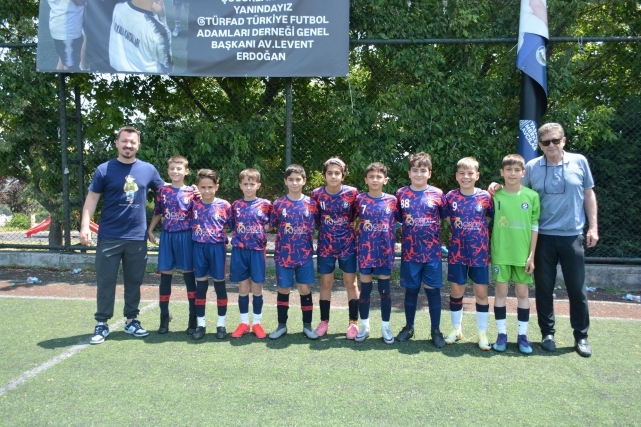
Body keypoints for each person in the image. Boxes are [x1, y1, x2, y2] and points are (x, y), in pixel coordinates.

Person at [489, 122, 598, 357]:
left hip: (572, 235)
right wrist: (495, 186)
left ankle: (581, 336)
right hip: (543, 238)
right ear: (540, 144)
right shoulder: (531, 167)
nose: (551, 145)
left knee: (577, 289)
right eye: (546, 142)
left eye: (556, 140)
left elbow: (589, 194)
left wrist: (593, 227)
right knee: (544, 289)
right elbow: (515, 192)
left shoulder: (579, 162)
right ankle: (547, 334)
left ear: (564, 141)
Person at [80, 126, 165, 345]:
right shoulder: (104, 169)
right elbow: (92, 199)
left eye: (133, 142)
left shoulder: (148, 170)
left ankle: (131, 320)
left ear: (138, 145)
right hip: (109, 236)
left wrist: (190, 190)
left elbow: (167, 192)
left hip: (137, 237)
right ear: (117, 143)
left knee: (134, 281)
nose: (128, 145)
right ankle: (102, 323)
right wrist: (85, 226)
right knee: (106, 281)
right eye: (125, 141)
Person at [395, 153, 448, 348]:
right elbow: (396, 218)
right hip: (410, 253)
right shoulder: (401, 194)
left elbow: (446, 218)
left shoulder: (438, 194)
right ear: (409, 173)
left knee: (433, 292)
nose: (419, 174)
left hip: (432, 253)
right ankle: (409, 327)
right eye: (415, 170)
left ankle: (436, 330)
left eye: (423, 170)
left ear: (429, 173)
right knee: (411, 291)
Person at [442, 157, 494, 350]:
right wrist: (459, 229)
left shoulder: (486, 197)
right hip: (457, 252)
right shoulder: (450, 197)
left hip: (479, 253)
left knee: (481, 293)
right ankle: (456, 330)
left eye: (470, 173)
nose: (466, 177)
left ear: (477, 175)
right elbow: (447, 217)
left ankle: (482, 333)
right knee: (456, 291)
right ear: (456, 176)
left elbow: (491, 217)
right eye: (462, 173)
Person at [490, 154, 540, 354]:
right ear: (502, 172)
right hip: (501, 253)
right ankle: (501, 335)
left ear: (523, 173)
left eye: (517, 170)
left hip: (522, 256)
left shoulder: (532, 196)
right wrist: (493, 187)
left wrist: (531, 256)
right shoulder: (494, 195)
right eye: (508, 170)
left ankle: (522, 336)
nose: (512, 173)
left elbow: (535, 226)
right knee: (500, 293)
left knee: (522, 293)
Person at [310, 158, 360, 339]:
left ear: (343, 176)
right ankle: (324, 321)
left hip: (348, 244)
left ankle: (353, 322)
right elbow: (315, 218)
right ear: (324, 175)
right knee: (326, 283)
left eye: (337, 173)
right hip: (326, 245)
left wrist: (354, 226)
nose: (333, 176)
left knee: (351, 283)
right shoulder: (316, 194)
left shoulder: (352, 193)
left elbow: (357, 215)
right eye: (329, 173)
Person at [269, 164, 319, 340]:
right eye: (291, 179)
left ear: (304, 181)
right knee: (284, 289)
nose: (294, 183)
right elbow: (270, 225)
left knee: (304, 289)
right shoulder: (278, 204)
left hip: (304, 254)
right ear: (285, 181)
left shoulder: (312, 204)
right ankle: (281, 325)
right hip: (283, 255)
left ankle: (307, 326)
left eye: (298, 179)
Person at [147, 155, 196, 334]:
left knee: (189, 276)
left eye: (179, 168)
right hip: (167, 236)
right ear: (168, 171)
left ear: (186, 171)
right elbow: (158, 212)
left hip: (186, 237)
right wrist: (150, 230)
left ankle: (193, 318)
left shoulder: (192, 192)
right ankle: (164, 317)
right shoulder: (163, 191)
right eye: (172, 168)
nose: (175, 171)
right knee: (165, 276)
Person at [354, 162, 398, 344]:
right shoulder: (359, 200)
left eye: (379, 177)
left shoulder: (393, 201)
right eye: (371, 177)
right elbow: (351, 220)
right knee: (365, 290)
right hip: (365, 252)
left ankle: (385, 327)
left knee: (384, 290)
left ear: (385, 180)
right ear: (366, 179)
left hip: (385, 252)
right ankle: (365, 327)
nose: (375, 180)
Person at [229, 169, 273, 339]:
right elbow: (232, 224)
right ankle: (243, 323)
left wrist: (262, 230)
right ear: (240, 186)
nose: (248, 187)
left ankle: (256, 323)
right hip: (240, 250)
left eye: (252, 184)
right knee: (243, 287)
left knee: (257, 287)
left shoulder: (265, 204)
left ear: (258, 185)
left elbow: (271, 223)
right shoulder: (235, 205)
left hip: (257, 250)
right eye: (245, 184)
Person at [190, 169, 231, 340]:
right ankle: (201, 325)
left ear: (217, 187)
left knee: (220, 285)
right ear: (198, 187)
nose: (207, 191)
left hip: (217, 248)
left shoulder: (225, 205)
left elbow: (233, 225)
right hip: (199, 248)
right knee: (201, 286)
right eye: (203, 187)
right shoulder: (193, 204)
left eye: (210, 187)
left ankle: (221, 325)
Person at [109, 0, 173, 73]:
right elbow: (168, 67)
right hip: (145, 76)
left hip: (116, 71)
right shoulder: (159, 32)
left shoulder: (118, 8)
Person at [48, 0, 86, 71]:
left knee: (63, 60)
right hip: (69, 30)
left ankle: (59, 77)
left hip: (60, 26)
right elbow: (80, 2)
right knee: (71, 66)